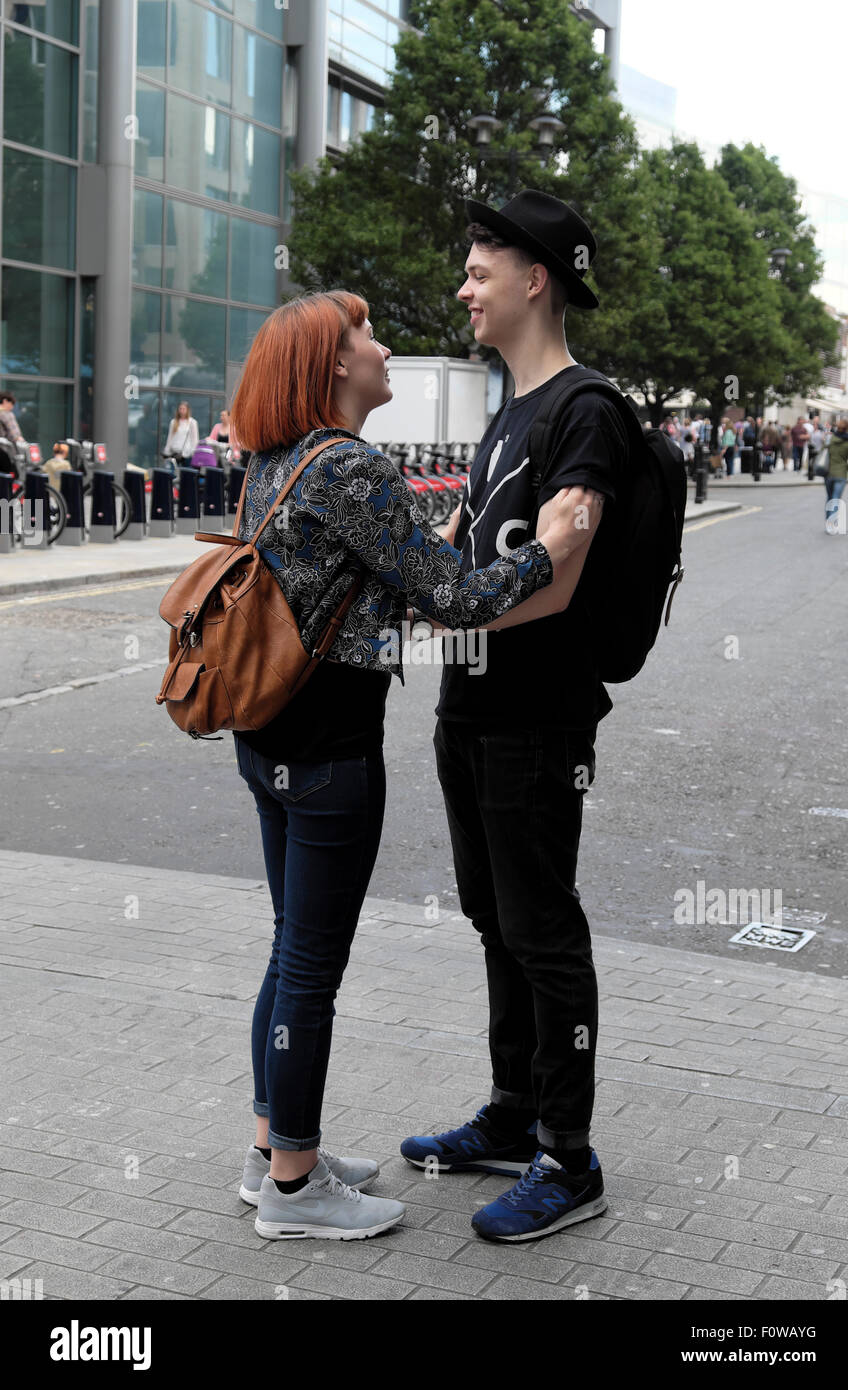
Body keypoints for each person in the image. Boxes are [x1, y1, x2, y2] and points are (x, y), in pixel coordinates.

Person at [225, 288, 596, 1241]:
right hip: (328, 755)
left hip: (265, 740)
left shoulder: (274, 462)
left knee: (286, 947)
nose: (384, 345)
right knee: (310, 966)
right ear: (333, 367)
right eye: (365, 335)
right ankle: (297, 1192)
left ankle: (277, 1147)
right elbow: (453, 598)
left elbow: (376, 576)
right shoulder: (349, 466)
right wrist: (548, 552)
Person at [398, 188, 629, 1243]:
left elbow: (561, 558)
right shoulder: (504, 414)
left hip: (536, 723)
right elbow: (461, 550)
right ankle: (511, 1108)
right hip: (469, 711)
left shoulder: (584, 410)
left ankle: (565, 1156)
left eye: (477, 270)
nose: (463, 287)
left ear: (533, 278)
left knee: (542, 930)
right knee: (494, 918)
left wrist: (448, 599)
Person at [824, 417, 848, 533]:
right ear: (847, 429)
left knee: (829, 498)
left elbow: (823, 452)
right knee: (835, 499)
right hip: (841, 475)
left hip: (829, 473)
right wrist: (846, 468)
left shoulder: (831, 439)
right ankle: (831, 525)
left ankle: (828, 522)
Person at [162, 401, 199, 466]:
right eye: (180, 409)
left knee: (185, 474)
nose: (182, 411)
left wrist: (194, 453)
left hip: (187, 454)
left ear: (187, 410)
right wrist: (166, 451)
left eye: (184, 409)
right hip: (174, 453)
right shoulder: (173, 422)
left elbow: (195, 439)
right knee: (172, 474)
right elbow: (170, 437)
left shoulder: (192, 422)